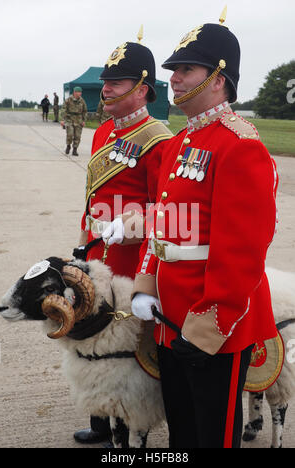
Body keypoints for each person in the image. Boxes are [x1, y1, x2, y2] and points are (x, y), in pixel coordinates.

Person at [128, 11, 279, 448]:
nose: (173, 78)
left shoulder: (240, 145)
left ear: (218, 77)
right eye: (173, 69)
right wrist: (145, 285)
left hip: (213, 321)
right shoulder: (180, 142)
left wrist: (212, 322)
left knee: (212, 436)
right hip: (169, 315)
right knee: (182, 431)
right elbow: (162, 220)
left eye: (186, 69)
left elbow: (243, 251)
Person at [73, 38, 172, 445]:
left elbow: (164, 211)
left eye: (116, 82)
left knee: (127, 356)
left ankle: (133, 430)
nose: (106, 88)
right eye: (106, 80)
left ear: (143, 89)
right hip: (97, 256)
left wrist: (126, 225)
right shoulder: (103, 133)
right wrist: (81, 244)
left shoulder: (160, 139)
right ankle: (101, 420)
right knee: (93, 340)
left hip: (131, 263)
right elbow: (92, 196)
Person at [60, 86, 87, 156]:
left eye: (80, 92)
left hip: (79, 120)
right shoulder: (68, 100)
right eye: (78, 92)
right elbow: (63, 110)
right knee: (70, 134)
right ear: (74, 92)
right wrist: (62, 120)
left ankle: (75, 149)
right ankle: (68, 145)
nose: (80, 93)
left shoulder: (82, 101)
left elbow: (85, 111)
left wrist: (84, 120)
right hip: (69, 119)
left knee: (77, 136)